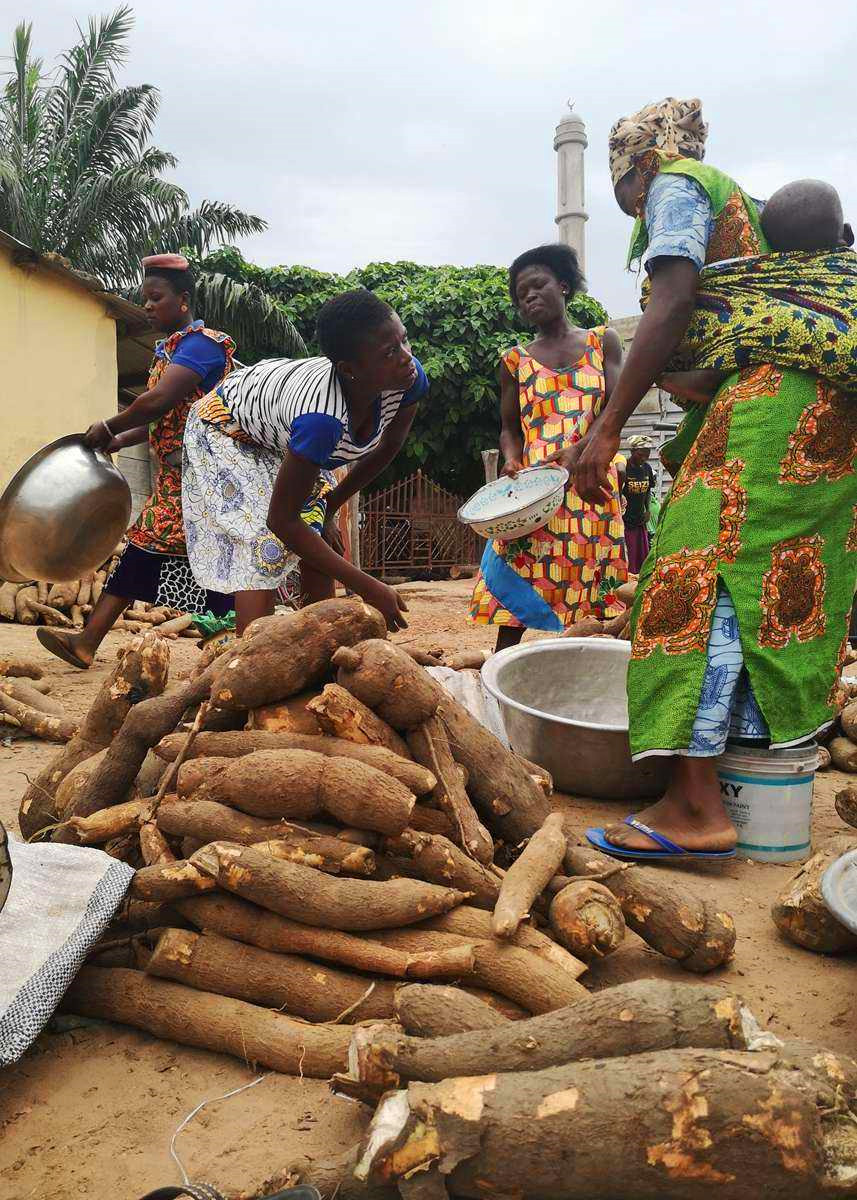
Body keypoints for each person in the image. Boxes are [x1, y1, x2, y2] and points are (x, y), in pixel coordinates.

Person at [575, 97, 857, 861]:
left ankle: (694, 807)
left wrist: (605, 428)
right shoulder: (767, 224)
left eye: (625, 198)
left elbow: (670, 303)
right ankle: (735, 773)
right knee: (766, 584)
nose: (634, 213)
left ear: (639, 167)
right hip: (822, 424)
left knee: (692, 580)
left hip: (769, 420)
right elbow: (723, 345)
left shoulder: (679, 183)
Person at [181, 289, 426, 634]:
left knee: (316, 527)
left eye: (404, 341)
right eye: (390, 352)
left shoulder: (407, 378)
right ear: (350, 369)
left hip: (279, 425)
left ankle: (318, 649)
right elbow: (281, 519)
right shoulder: (321, 420)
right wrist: (370, 587)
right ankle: (253, 664)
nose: (406, 357)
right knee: (262, 544)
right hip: (225, 424)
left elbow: (386, 448)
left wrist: (328, 508)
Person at [38, 254, 235, 670]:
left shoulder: (202, 346)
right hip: (181, 479)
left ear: (183, 301)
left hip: (203, 480)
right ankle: (223, 643)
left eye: (156, 298)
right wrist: (118, 439)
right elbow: (161, 421)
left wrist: (108, 427)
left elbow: (156, 402)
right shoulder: (170, 351)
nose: (147, 306)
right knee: (203, 560)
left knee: (158, 550)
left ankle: (89, 642)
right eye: (144, 298)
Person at [468, 244, 627, 651]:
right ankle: (500, 678)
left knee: (593, 586)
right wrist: (512, 460)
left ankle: (589, 675)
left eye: (537, 286)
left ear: (564, 285)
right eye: (522, 295)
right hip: (536, 492)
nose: (530, 297)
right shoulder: (514, 361)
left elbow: (615, 406)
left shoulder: (602, 342)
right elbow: (509, 429)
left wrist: (581, 449)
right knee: (518, 575)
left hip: (591, 481)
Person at [621, 436, 656, 573]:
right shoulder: (625, 468)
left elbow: (648, 491)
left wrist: (647, 510)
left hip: (640, 519)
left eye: (647, 455)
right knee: (629, 554)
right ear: (632, 451)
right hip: (626, 520)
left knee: (641, 555)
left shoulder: (647, 468)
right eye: (641, 455)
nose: (644, 458)